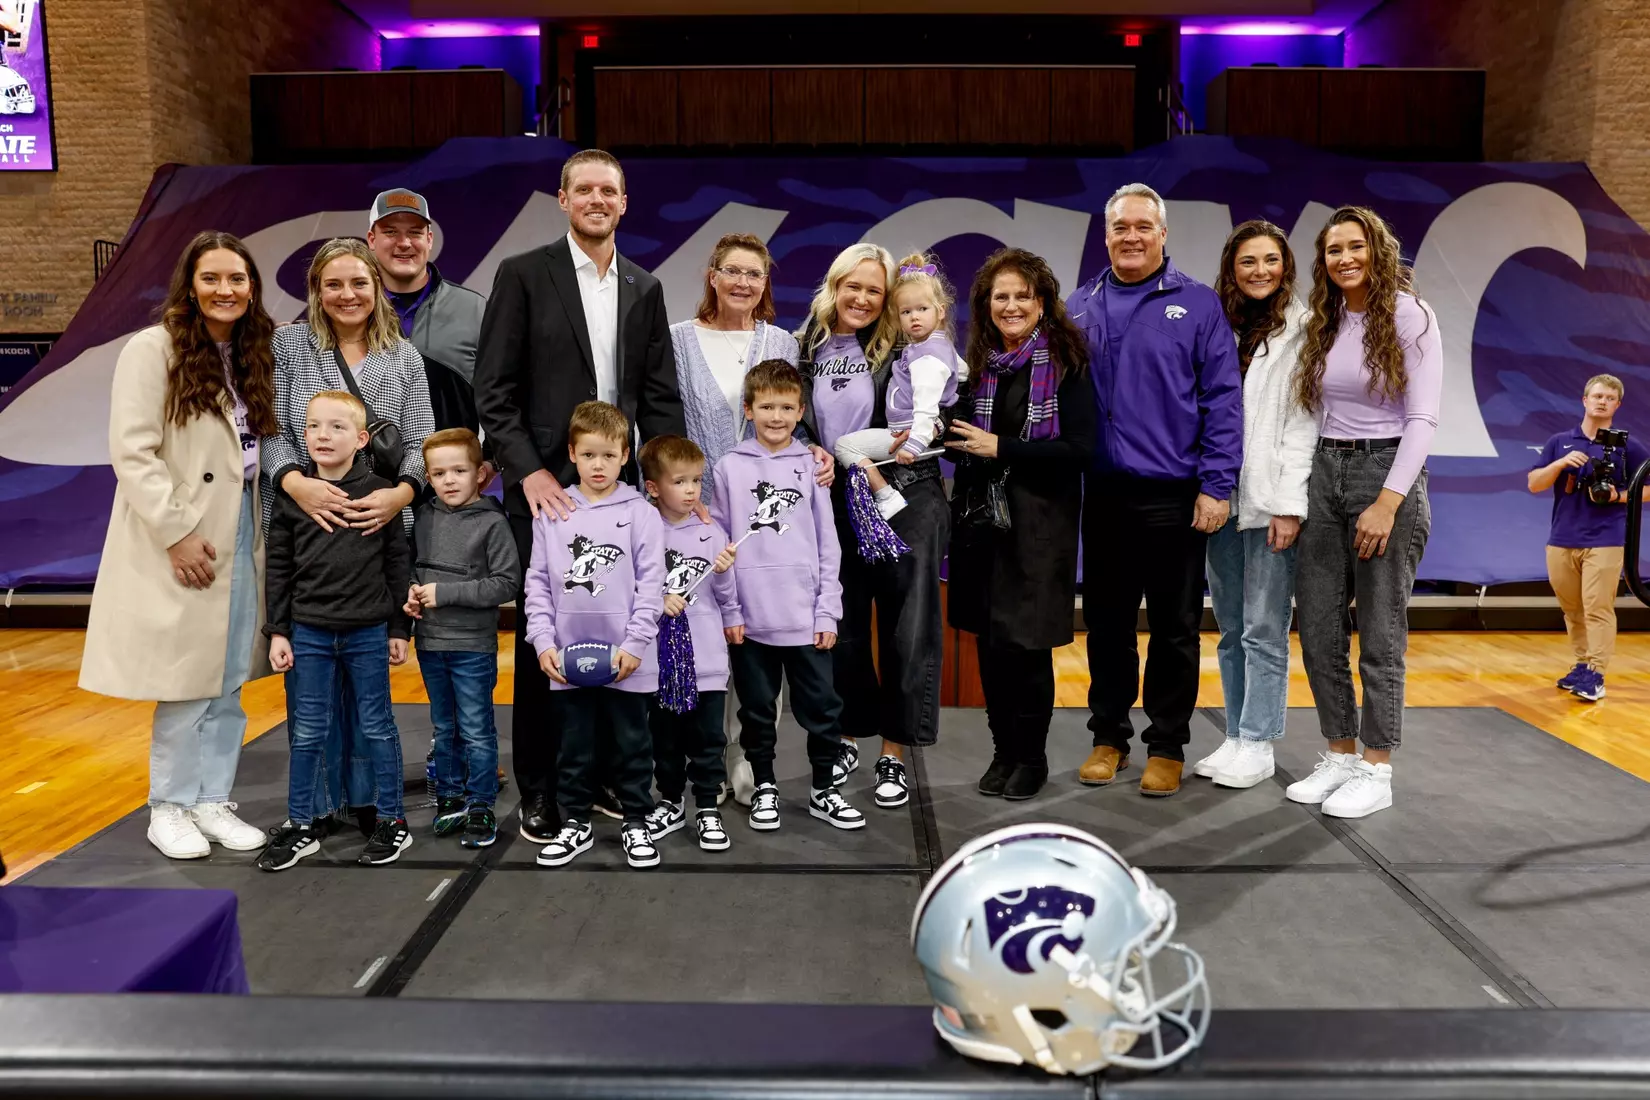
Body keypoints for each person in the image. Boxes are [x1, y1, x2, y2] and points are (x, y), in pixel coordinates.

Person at [474, 148, 684, 846]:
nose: (597, 199)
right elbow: (493, 391)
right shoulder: (523, 275)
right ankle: (540, 789)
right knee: (550, 647)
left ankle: (603, 782)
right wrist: (529, 471)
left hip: (621, 498)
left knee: (622, 638)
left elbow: (658, 396)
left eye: (609, 191)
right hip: (547, 496)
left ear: (625, 203)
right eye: (584, 189)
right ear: (562, 199)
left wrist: (662, 484)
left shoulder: (646, 287)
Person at [81, 230, 277, 860]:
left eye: (237, 279)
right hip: (186, 533)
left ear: (252, 287)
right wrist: (178, 533)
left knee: (227, 682)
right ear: (189, 285)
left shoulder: (252, 350)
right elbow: (133, 453)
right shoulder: (152, 348)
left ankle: (211, 799)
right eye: (213, 278)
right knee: (185, 683)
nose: (226, 290)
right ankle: (167, 806)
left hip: (241, 529)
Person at [1066, 183, 1243, 799]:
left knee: (1174, 629)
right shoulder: (1079, 306)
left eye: (1144, 226)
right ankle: (1109, 737)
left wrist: (1217, 486)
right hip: (1105, 496)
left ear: (1163, 234)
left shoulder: (1197, 304)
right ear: (1107, 234)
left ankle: (1166, 744)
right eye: (1121, 227)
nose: (1132, 236)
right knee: (1109, 624)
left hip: (1176, 495)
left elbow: (1223, 400)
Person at [263, 237, 435, 832]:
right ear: (316, 290)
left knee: (368, 689)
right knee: (312, 687)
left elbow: (420, 443)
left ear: (377, 287)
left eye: (358, 283)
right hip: (304, 518)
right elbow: (271, 430)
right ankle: (316, 804)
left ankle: (368, 801)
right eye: (332, 284)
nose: (347, 295)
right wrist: (293, 483)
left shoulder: (403, 357)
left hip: (379, 523)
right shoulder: (288, 346)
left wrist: (400, 495)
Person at [1289, 205, 1442, 819]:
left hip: (1386, 475)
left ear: (1377, 251)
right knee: (1320, 626)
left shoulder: (1411, 315)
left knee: (1380, 633)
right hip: (1326, 472)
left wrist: (1388, 500)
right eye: (1333, 251)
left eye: (1356, 247)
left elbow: (1423, 417)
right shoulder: (1325, 321)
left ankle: (1377, 766)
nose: (1345, 259)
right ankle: (1341, 754)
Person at [796, 243, 946, 812]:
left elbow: (936, 408)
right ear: (833, 285)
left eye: (874, 290)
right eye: (851, 285)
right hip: (834, 502)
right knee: (847, 628)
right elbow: (795, 418)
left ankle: (895, 750)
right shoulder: (804, 344)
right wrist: (813, 449)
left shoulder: (905, 346)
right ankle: (850, 734)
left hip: (904, 498)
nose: (861, 297)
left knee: (908, 631)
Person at [945, 248, 1093, 801]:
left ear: (1043, 303)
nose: (1011, 306)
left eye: (1022, 296)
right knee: (989, 645)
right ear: (986, 304)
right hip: (981, 525)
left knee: (1025, 648)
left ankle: (1031, 757)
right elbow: (963, 446)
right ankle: (1002, 749)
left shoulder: (1066, 364)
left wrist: (999, 446)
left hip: (1037, 528)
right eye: (999, 296)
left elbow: (1080, 450)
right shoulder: (981, 366)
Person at [257, 390, 414, 871]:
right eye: (313, 427)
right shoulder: (292, 499)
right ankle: (301, 823)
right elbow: (279, 568)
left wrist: (398, 628)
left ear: (362, 438)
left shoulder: (381, 494)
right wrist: (278, 631)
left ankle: (391, 821)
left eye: (337, 427)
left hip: (368, 633)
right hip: (309, 635)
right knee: (306, 732)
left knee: (377, 726)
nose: (323, 435)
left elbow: (396, 563)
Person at [713, 359, 865, 832]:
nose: (775, 417)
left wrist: (827, 612)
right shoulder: (729, 468)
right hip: (752, 623)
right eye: (765, 407)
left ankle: (824, 790)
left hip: (806, 620)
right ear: (748, 409)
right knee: (757, 714)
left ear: (801, 411)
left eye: (785, 407)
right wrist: (731, 609)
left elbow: (827, 544)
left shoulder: (813, 467)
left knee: (822, 710)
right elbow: (721, 546)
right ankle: (764, 787)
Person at [1195, 222, 1318, 790]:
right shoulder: (1216, 323)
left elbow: (1303, 425)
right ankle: (1237, 736)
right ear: (1232, 267)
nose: (1260, 271)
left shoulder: (1306, 330)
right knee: (1228, 628)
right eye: (1248, 261)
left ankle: (1261, 742)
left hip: (1270, 501)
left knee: (1264, 628)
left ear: (1285, 265)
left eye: (1270, 260)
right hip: (1221, 497)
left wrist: (1290, 504)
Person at [525, 401, 666, 869]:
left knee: (631, 744)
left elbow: (653, 585)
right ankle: (576, 823)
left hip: (628, 659)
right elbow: (538, 583)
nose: (598, 465)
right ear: (572, 453)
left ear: (625, 454)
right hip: (568, 659)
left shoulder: (642, 514)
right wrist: (544, 642)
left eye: (608, 455)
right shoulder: (553, 513)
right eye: (588, 455)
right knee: (574, 747)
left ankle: (637, 823)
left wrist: (635, 645)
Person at [404, 428, 519, 848]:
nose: (449, 480)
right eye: (438, 473)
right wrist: (413, 595)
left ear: (480, 474)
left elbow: (506, 583)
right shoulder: (425, 517)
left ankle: (481, 804)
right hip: (430, 644)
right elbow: (417, 569)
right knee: (444, 726)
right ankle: (450, 800)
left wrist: (445, 593)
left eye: (459, 470)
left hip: (472, 646)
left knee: (476, 728)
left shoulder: (492, 522)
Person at [638, 434, 741, 850]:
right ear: (653, 487)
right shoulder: (642, 532)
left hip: (707, 659)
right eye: (680, 482)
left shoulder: (710, 532)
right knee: (664, 737)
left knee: (707, 738)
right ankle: (670, 801)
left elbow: (726, 596)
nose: (691, 491)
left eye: (696, 481)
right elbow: (632, 586)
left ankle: (708, 807)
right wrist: (658, 601)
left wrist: (723, 574)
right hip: (658, 660)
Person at [1528, 374, 1648, 703]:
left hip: (1606, 538)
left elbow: (1648, 487)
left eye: (1609, 398)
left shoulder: (1628, 446)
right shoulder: (1560, 442)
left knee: (1598, 608)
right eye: (1597, 396)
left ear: (1617, 405)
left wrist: (1617, 496)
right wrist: (1560, 464)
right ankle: (1581, 663)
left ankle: (1596, 672)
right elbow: (1535, 483)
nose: (1602, 402)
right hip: (1562, 537)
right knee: (1572, 609)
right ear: (1584, 400)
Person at [833, 251, 965, 519]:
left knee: (844, 446)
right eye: (906, 311)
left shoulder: (927, 358)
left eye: (922, 309)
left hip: (905, 436)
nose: (914, 317)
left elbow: (926, 407)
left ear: (941, 311)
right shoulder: (938, 347)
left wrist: (914, 444)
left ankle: (884, 494)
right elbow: (963, 373)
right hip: (910, 432)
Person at [365, 188, 489, 457]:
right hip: (371, 486)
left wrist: (491, 458)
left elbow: (505, 394)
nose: (404, 242)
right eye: (390, 232)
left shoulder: (474, 309)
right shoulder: (352, 309)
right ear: (371, 239)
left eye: (415, 232)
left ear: (429, 239)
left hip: (451, 485)